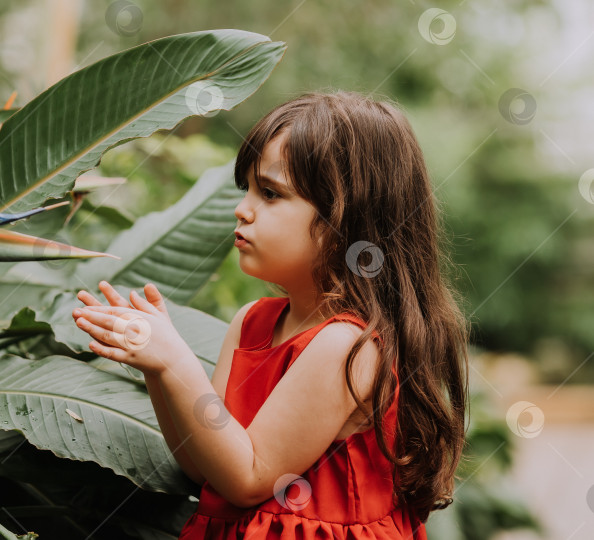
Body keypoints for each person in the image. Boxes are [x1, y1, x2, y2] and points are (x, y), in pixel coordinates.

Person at [71, 91, 469, 539]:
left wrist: (175, 362)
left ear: (347, 221)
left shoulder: (346, 346)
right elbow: (205, 464)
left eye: (271, 193)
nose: (243, 209)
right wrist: (154, 366)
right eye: (249, 190)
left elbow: (250, 477)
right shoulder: (252, 323)